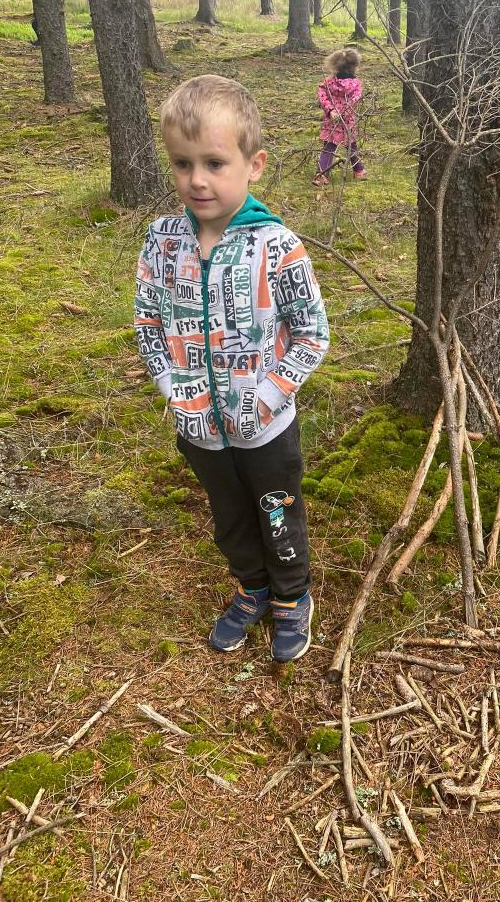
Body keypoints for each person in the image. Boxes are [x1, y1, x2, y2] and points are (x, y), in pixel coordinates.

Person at [134, 75, 329, 662]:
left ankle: (292, 595)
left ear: (254, 165)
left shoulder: (277, 246)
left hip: (266, 429)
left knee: (276, 511)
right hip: (199, 427)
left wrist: (265, 397)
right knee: (229, 517)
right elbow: (148, 321)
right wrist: (175, 390)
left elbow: (313, 333)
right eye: (183, 163)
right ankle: (253, 586)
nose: (197, 179)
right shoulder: (162, 242)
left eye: (215, 163)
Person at [312, 47, 366, 186]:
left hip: (333, 120)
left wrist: (331, 111)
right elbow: (355, 100)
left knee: (329, 147)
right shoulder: (356, 84)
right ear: (354, 66)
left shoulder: (329, 82)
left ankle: (322, 175)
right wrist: (343, 113)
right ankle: (359, 171)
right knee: (351, 146)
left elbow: (322, 95)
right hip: (347, 120)